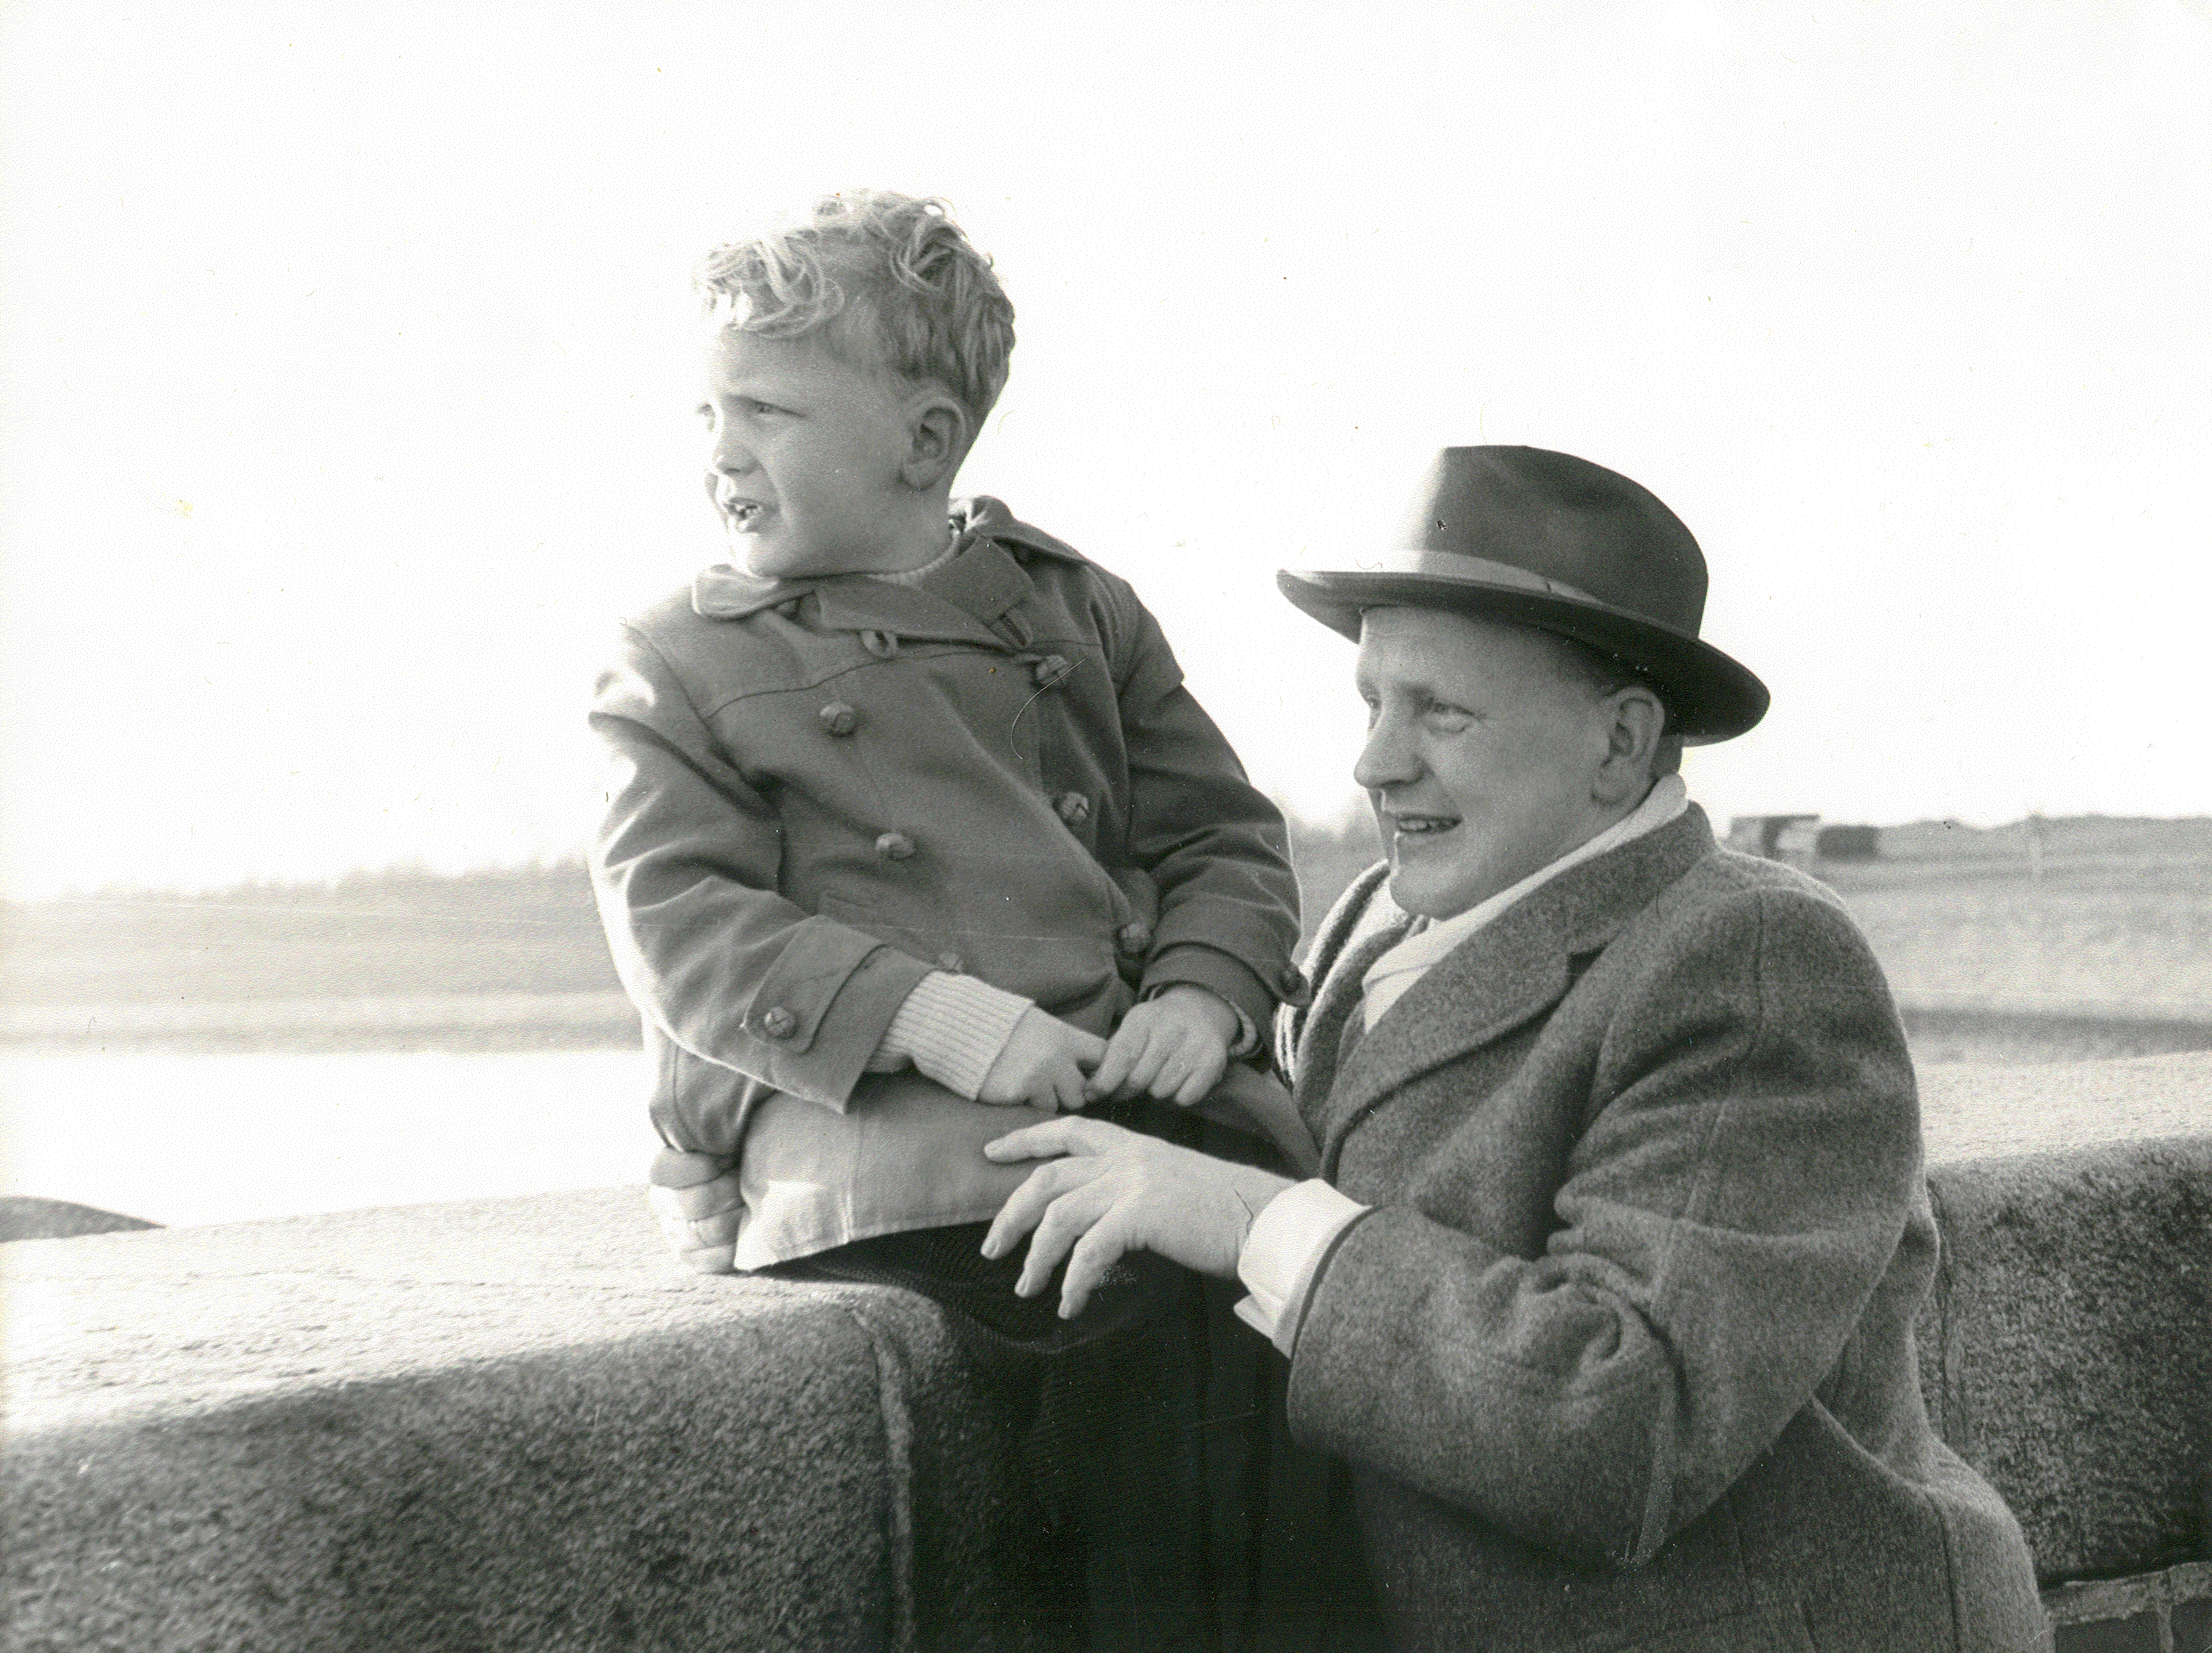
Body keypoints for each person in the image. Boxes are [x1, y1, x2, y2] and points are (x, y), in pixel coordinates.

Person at [984, 447, 2048, 1651]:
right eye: (1372, 702)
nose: (1375, 761)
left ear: (1621, 743)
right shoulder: (1375, 921)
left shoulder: (1748, 953)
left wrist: (1251, 1220)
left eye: (1441, 710)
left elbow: (1625, 1423)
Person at [585, 190, 1305, 1646]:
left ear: (924, 441)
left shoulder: (1079, 612)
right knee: (1117, 1431)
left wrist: (1202, 994)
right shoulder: (679, 659)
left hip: (1157, 1118)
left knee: (1295, 1382)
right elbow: (678, 919)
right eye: (709, 410)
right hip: (909, 1167)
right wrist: (944, 1018)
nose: (723, 450)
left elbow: (1220, 833)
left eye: (770, 411)